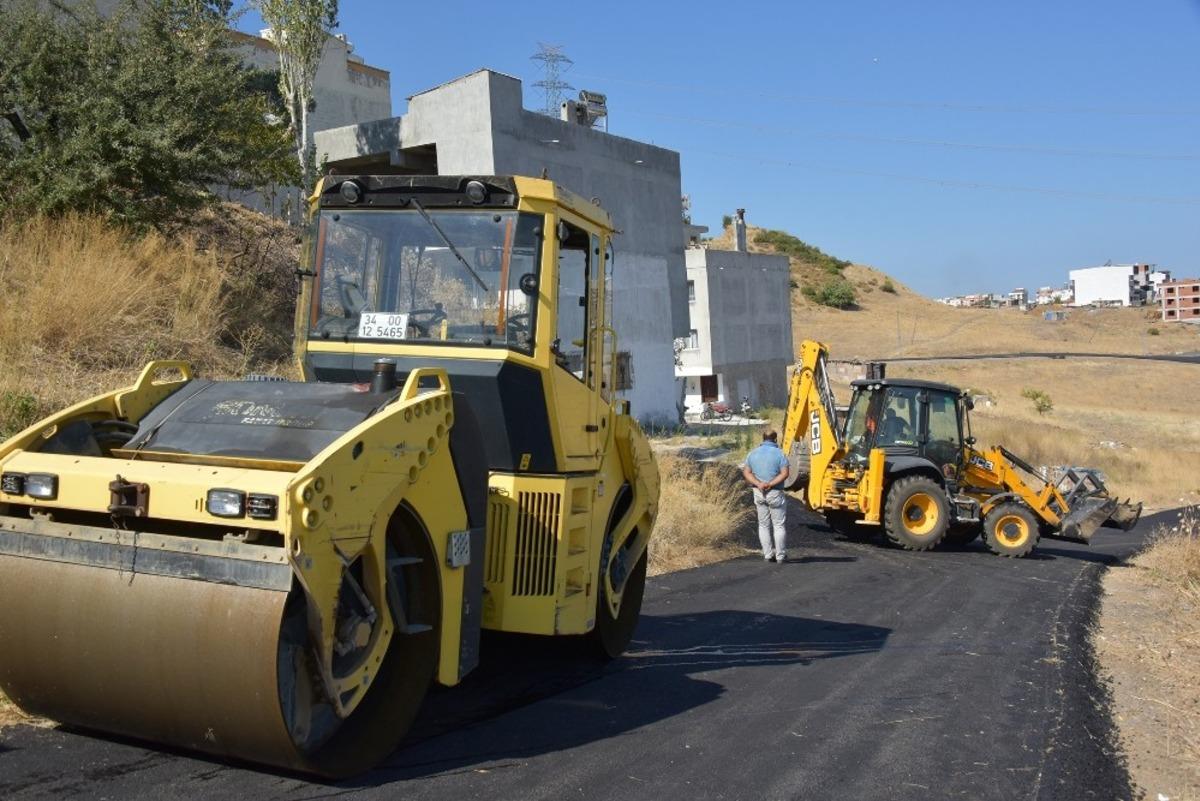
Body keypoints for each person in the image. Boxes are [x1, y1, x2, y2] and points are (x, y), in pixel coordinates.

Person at [742, 429, 791, 563]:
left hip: (758, 492)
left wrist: (758, 484)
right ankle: (780, 555)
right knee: (778, 525)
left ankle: (768, 555)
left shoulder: (752, 454)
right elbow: (785, 473)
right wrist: (770, 484)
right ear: (775, 439)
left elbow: (747, 472)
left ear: (763, 439)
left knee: (763, 524)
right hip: (775, 492)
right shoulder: (780, 454)